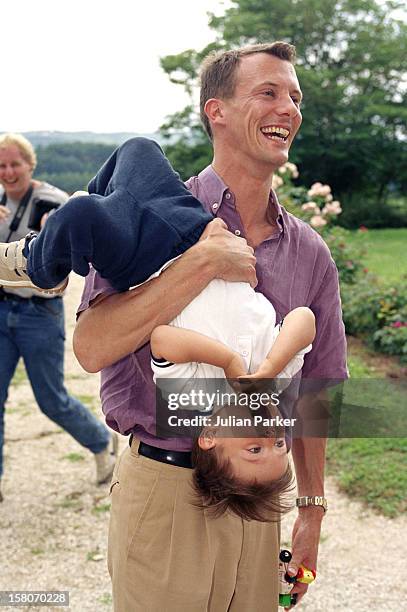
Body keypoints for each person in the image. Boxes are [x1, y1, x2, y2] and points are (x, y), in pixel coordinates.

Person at [48, 42, 348, 610]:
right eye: (268, 92)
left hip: (257, 494)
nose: (289, 108)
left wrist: (310, 510)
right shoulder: (148, 217)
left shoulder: (310, 252)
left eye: (295, 97)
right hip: (165, 490)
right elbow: (91, 346)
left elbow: (319, 389)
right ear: (217, 111)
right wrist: (203, 262)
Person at [0, 133, 118, 503]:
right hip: (2, 309)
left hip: (39, 313)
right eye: (1, 165)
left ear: (30, 164)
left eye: (15, 163)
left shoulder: (53, 201)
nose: (8, 171)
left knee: (51, 399)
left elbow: (69, 265)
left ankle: (101, 441)